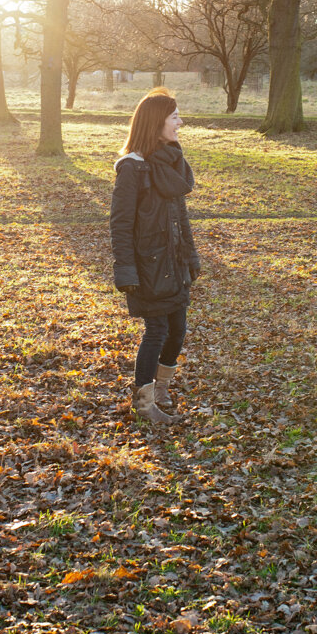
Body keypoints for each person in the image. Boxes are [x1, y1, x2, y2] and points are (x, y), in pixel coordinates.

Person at [109, 88, 201, 425]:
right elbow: (120, 224)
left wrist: (190, 257)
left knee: (178, 329)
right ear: (156, 122)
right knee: (157, 330)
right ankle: (145, 404)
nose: (180, 122)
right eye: (174, 116)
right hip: (148, 266)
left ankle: (161, 389)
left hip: (173, 263)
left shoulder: (169, 162)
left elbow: (181, 216)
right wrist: (126, 270)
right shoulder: (133, 169)